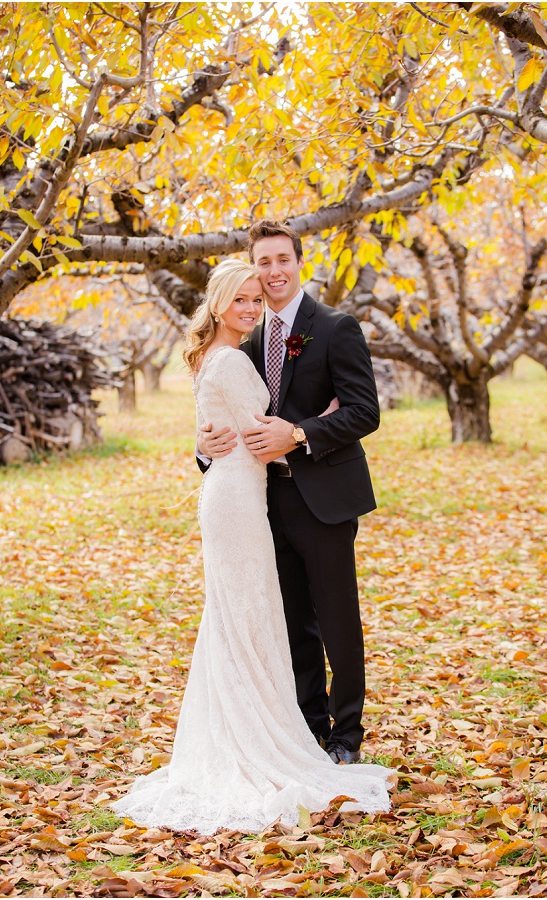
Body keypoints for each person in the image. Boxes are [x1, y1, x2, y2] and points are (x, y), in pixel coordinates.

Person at [112, 259, 392, 834]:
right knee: (255, 618)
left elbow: (349, 412)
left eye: (256, 296)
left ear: (292, 267)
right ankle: (271, 734)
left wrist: (310, 428)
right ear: (217, 302)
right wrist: (307, 422)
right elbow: (253, 431)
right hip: (242, 501)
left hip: (269, 498)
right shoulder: (238, 355)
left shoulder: (310, 333)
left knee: (271, 617)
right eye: (241, 295)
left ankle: (333, 734)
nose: (251, 304)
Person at [197, 220, 382, 765]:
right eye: (263, 263)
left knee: (337, 620)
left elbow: (364, 410)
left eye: (282, 260)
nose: (273, 272)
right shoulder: (245, 332)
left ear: (298, 261)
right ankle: (307, 725)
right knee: (289, 619)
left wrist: (299, 432)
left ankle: (346, 735)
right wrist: (205, 444)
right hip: (260, 501)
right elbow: (223, 412)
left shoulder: (334, 326)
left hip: (321, 496)